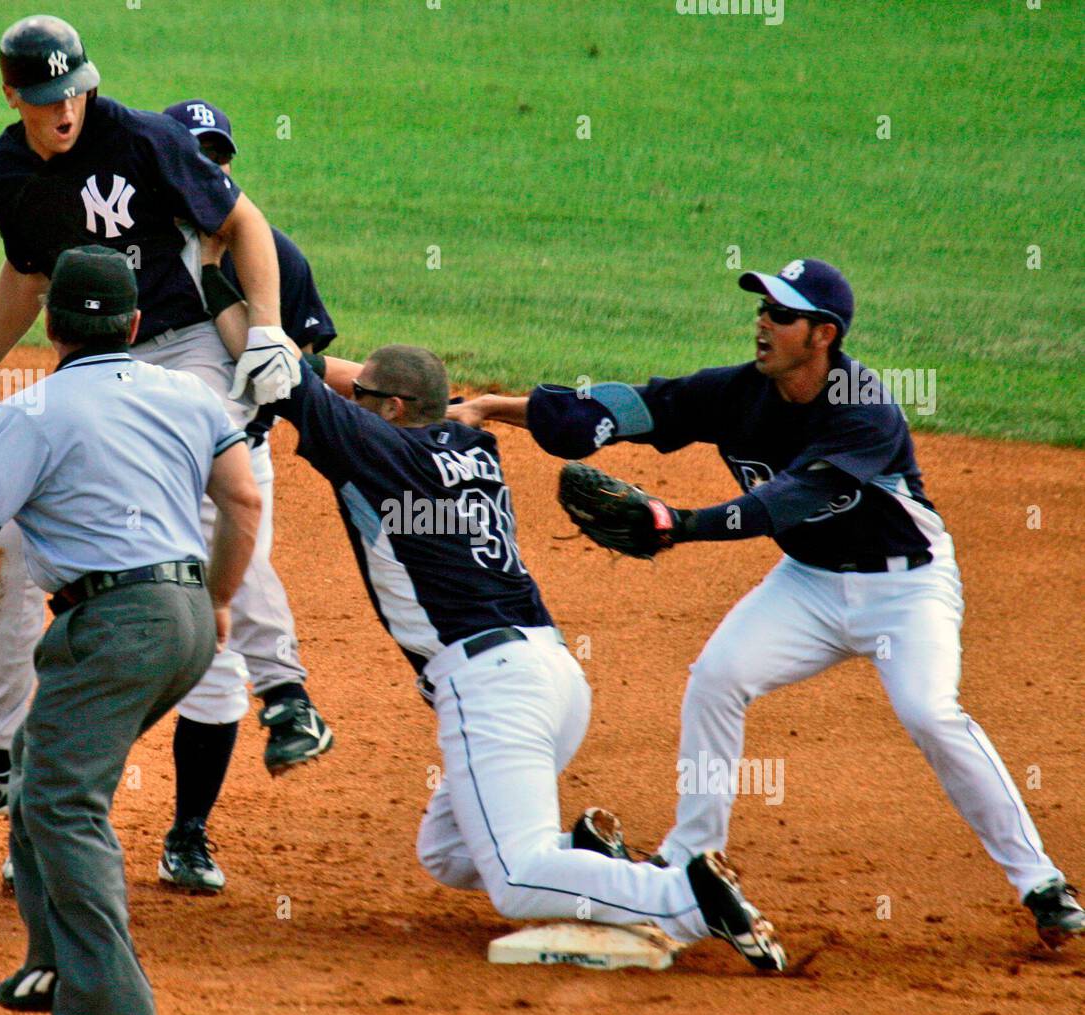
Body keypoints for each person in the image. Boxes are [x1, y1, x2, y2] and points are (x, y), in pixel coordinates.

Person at [448, 257, 1085, 950]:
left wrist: (680, 524)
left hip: (906, 590)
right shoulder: (736, 392)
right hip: (809, 582)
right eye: (761, 308)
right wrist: (494, 408)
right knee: (717, 679)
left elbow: (790, 499)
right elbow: (624, 408)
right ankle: (691, 861)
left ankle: (1042, 883)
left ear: (822, 335)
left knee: (930, 712)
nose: (762, 322)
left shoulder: (862, 408)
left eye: (781, 314)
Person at [0, 15, 331, 897]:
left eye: (74, 90)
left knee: (221, 501)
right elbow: (27, 275)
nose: (66, 109)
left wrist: (270, 335)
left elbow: (244, 222)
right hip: (100, 355)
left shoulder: (141, 136)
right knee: (14, 544)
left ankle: (286, 695)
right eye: (47, 96)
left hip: (183, 348)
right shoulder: (5, 174)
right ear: (13, 96)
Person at [255, 340, 787, 971]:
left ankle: (685, 896)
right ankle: (588, 857)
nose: (353, 404)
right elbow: (350, 388)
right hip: (553, 677)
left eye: (363, 399)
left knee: (514, 877)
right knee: (448, 853)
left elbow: (284, 374)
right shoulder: (470, 445)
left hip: (492, 688)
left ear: (393, 409)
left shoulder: (383, 450)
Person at [0, 246, 261, 1015]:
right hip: (183, 620)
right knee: (37, 770)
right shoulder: (189, 395)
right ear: (136, 322)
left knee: (62, 802)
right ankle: (54, 960)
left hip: (115, 627)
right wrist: (217, 601)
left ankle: (113, 1008)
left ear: (51, 325)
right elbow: (244, 502)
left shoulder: (35, 411)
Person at [162, 98, 337, 356]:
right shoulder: (132, 241)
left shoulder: (276, 254)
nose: (207, 169)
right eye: (194, 156)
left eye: (217, 156)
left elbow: (304, 372)